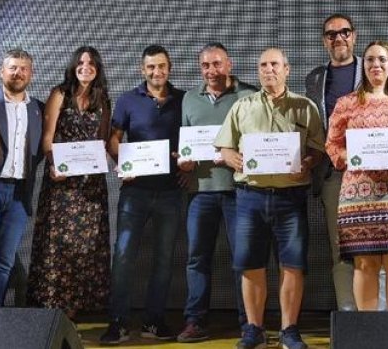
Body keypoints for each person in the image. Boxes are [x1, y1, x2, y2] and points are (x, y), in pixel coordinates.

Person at [215, 48, 324, 349]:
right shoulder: (241, 106)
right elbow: (224, 147)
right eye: (263, 65)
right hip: (250, 198)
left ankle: (289, 330)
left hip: (291, 199)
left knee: (292, 266)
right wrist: (232, 157)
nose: (268, 70)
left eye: (274, 64)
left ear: (287, 70)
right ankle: (254, 329)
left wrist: (310, 162)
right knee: (250, 265)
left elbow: (318, 149)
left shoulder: (305, 107)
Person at [326, 41, 388, 311]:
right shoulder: (346, 104)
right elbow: (332, 145)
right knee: (365, 263)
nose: (376, 65)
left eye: (382, 60)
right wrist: (353, 156)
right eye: (370, 60)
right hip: (359, 195)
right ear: (363, 66)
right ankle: (369, 332)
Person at [100, 45, 185, 345]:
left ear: (169, 68)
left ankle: (153, 320)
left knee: (163, 260)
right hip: (134, 193)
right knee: (123, 256)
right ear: (142, 69)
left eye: (161, 66)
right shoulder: (127, 100)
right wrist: (121, 161)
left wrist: (184, 159)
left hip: (171, 192)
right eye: (150, 67)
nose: (156, 72)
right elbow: (114, 139)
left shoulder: (184, 100)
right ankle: (118, 322)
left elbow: (190, 141)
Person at [176, 43, 257, 342]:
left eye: (217, 64)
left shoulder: (248, 95)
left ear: (229, 64)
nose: (212, 71)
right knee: (197, 258)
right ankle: (195, 320)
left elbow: (259, 140)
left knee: (243, 259)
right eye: (206, 66)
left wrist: (235, 152)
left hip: (240, 191)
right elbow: (185, 147)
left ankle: (249, 323)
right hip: (201, 192)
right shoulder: (189, 99)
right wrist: (183, 164)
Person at [26, 46, 112, 319]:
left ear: (97, 68)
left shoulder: (103, 99)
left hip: (90, 185)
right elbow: (48, 137)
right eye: (81, 62)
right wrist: (53, 164)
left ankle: (76, 307)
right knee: (57, 243)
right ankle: (53, 305)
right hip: (62, 183)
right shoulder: (59, 94)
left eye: (91, 63)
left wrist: (121, 163)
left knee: (87, 245)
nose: (85, 67)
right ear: (73, 66)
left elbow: (103, 141)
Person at [304, 13, 361, 311]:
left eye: (344, 32)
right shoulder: (314, 77)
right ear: (324, 40)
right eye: (331, 34)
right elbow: (310, 127)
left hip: (372, 175)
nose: (338, 37)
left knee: (375, 246)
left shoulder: (375, 67)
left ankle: (377, 318)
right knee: (341, 249)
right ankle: (349, 317)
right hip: (333, 175)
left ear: (354, 35)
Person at [0, 48, 45, 307]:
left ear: (31, 74)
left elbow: (40, 151)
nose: (17, 73)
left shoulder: (39, 109)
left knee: (4, 259)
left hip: (20, 195)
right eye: (12, 68)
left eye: (23, 68)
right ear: (1, 72)